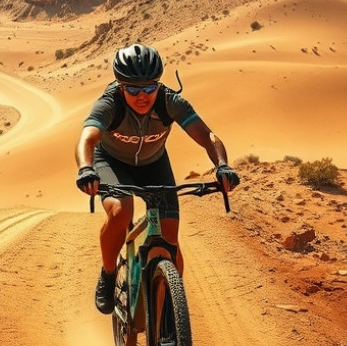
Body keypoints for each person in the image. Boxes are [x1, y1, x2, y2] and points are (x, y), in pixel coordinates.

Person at [74, 44, 240, 314]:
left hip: (154, 165)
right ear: (120, 86)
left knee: (170, 243)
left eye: (149, 88)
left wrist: (222, 165)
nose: (143, 96)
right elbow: (88, 138)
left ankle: (166, 315)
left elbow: (208, 136)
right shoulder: (110, 104)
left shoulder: (169, 102)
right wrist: (86, 169)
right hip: (111, 163)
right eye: (133, 89)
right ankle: (107, 275)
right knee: (120, 212)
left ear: (158, 85)